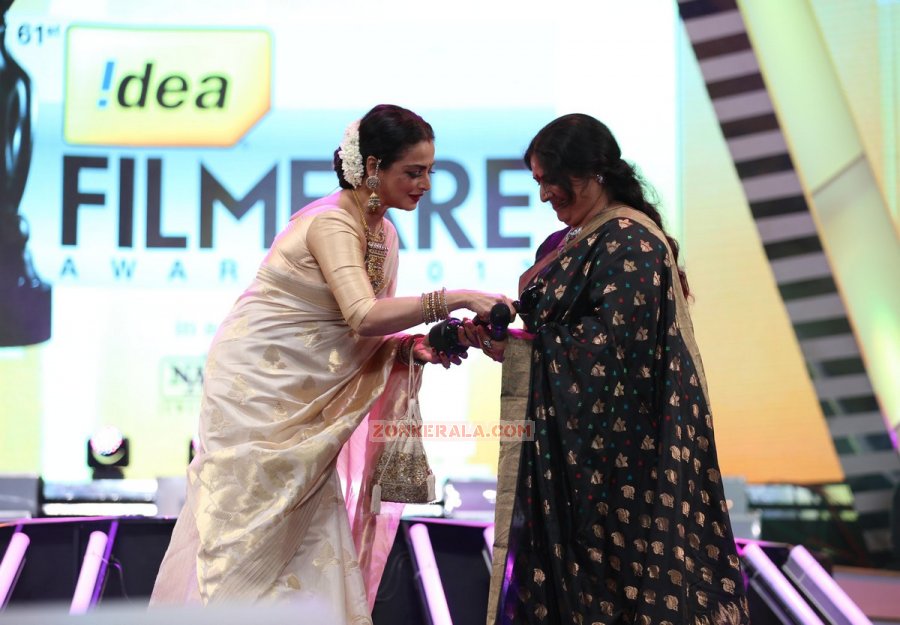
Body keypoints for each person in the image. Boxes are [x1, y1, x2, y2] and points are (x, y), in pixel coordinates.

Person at [149, 104, 513, 620]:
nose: (426, 184)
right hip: (261, 393)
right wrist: (454, 297)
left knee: (311, 527)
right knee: (244, 528)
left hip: (310, 405)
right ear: (373, 167)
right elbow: (363, 316)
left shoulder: (383, 233)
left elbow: (358, 332)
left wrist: (408, 348)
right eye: (414, 172)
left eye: (431, 171)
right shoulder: (332, 223)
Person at [485, 114, 751, 625]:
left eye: (550, 180)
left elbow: (612, 351)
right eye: (537, 182)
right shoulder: (565, 243)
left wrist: (523, 350)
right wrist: (505, 339)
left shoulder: (631, 241)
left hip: (618, 466)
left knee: (616, 594)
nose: (543, 194)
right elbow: (555, 336)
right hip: (565, 452)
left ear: (592, 172)